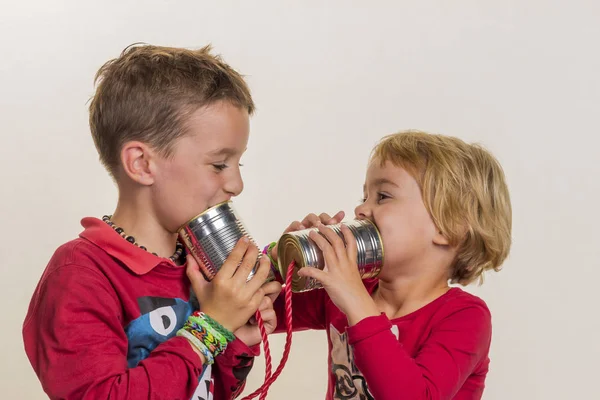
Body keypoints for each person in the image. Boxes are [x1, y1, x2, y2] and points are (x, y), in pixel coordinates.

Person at [22, 43, 281, 400]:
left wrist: (236, 338)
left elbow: (205, 389)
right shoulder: (80, 275)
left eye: (239, 165)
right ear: (142, 164)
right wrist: (212, 327)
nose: (236, 184)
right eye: (219, 164)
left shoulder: (199, 267)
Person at [271, 130, 512, 399]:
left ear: (448, 227)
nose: (361, 210)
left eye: (383, 196)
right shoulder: (346, 291)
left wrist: (355, 300)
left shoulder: (465, 317)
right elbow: (254, 314)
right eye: (364, 197)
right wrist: (279, 264)